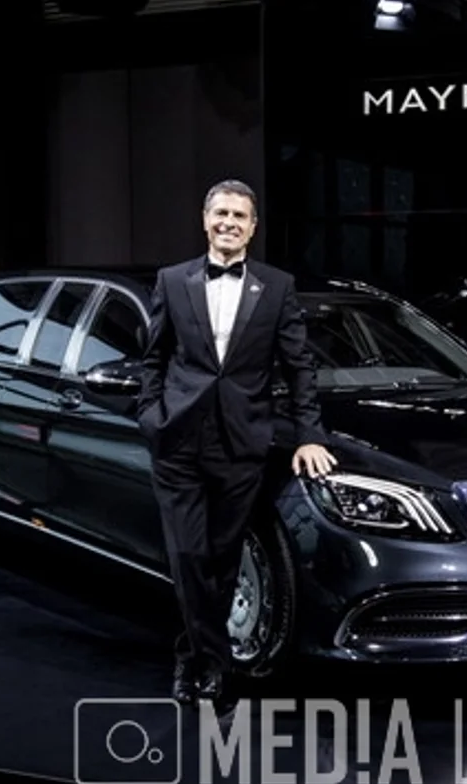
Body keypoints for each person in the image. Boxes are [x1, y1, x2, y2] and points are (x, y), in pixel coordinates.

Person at [137, 178, 337, 707]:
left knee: (223, 559)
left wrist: (309, 435)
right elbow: (153, 358)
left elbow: (299, 367)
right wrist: (152, 417)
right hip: (178, 441)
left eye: (239, 216)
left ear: (253, 227)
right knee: (187, 555)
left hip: (243, 443)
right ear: (205, 221)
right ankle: (212, 664)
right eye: (220, 213)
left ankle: (196, 661)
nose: (228, 222)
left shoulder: (277, 286)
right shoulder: (172, 280)